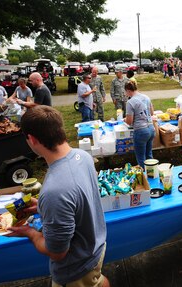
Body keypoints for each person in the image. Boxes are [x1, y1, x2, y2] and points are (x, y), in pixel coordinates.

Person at [7, 105, 109, 287]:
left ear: (31, 139)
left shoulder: (54, 192)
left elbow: (57, 253)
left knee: (94, 281)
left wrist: (30, 233)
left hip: (76, 268)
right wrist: (42, 206)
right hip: (96, 248)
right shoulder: (83, 156)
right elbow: (78, 202)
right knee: (97, 280)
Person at [124, 81, 155, 169]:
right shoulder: (146, 97)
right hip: (151, 128)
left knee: (141, 158)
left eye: (126, 92)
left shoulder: (130, 102)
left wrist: (125, 120)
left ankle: (144, 178)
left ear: (128, 90)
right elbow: (152, 113)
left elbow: (129, 121)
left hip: (141, 130)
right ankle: (152, 175)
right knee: (149, 155)